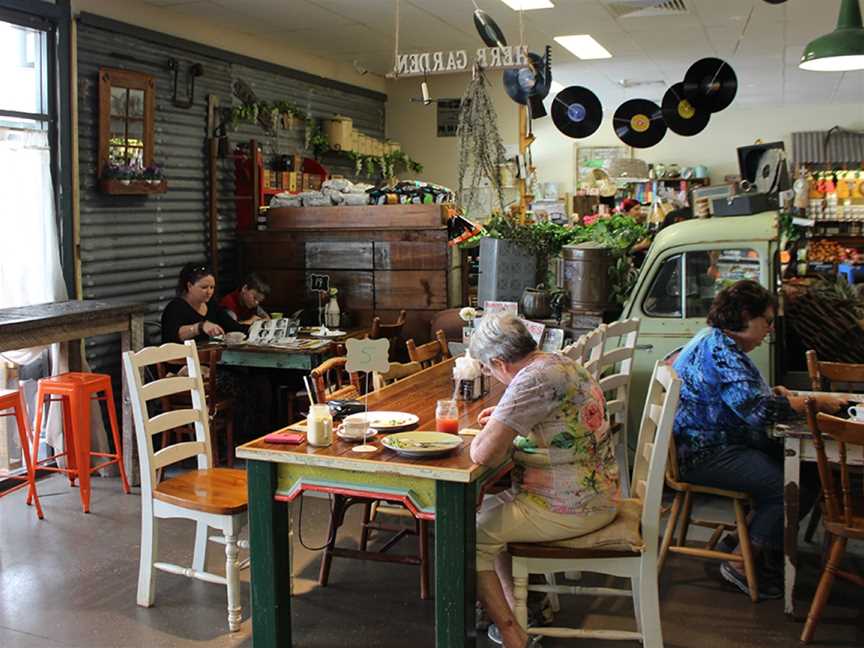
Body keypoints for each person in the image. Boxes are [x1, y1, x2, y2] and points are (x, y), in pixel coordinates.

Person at [672, 280, 844, 600]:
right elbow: (760, 414)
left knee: (806, 475)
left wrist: (775, 395)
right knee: (786, 487)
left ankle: (749, 542)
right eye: (767, 321)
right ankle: (741, 564)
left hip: (711, 443)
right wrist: (814, 402)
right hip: (703, 452)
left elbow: (749, 398)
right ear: (745, 315)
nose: (769, 331)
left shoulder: (717, 341)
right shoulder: (721, 350)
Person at [468, 313, 619, 648]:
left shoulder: (530, 380)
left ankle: (512, 633)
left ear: (498, 362)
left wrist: (493, 430)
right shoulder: (558, 362)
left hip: (574, 506)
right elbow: (555, 416)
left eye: (489, 369)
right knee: (491, 511)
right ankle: (520, 611)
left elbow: (483, 455)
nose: (492, 376)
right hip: (598, 491)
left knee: (469, 536)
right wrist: (508, 416)